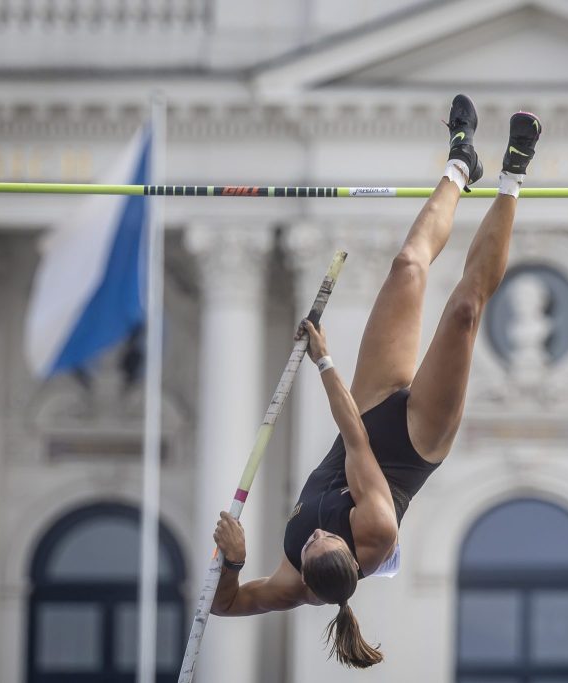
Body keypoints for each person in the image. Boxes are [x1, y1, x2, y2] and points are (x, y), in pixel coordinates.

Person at [210, 94, 541, 668]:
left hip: (367, 406)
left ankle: (460, 163)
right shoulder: (375, 530)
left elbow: (229, 605)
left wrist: (235, 562)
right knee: (464, 308)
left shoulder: (296, 580)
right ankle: (514, 172)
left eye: (307, 542)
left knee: (407, 266)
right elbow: (358, 444)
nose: (312, 535)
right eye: (322, 539)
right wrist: (323, 360)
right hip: (412, 441)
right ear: (346, 550)